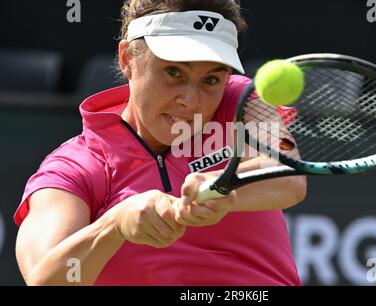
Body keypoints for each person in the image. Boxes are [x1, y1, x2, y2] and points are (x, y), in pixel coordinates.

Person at [14, 0, 307, 286]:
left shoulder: (240, 100)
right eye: (174, 72)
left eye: (210, 80)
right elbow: (45, 279)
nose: (191, 101)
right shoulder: (75, 166)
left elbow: (287, 175)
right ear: (127, 59)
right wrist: (114, 225)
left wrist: (221, 187)